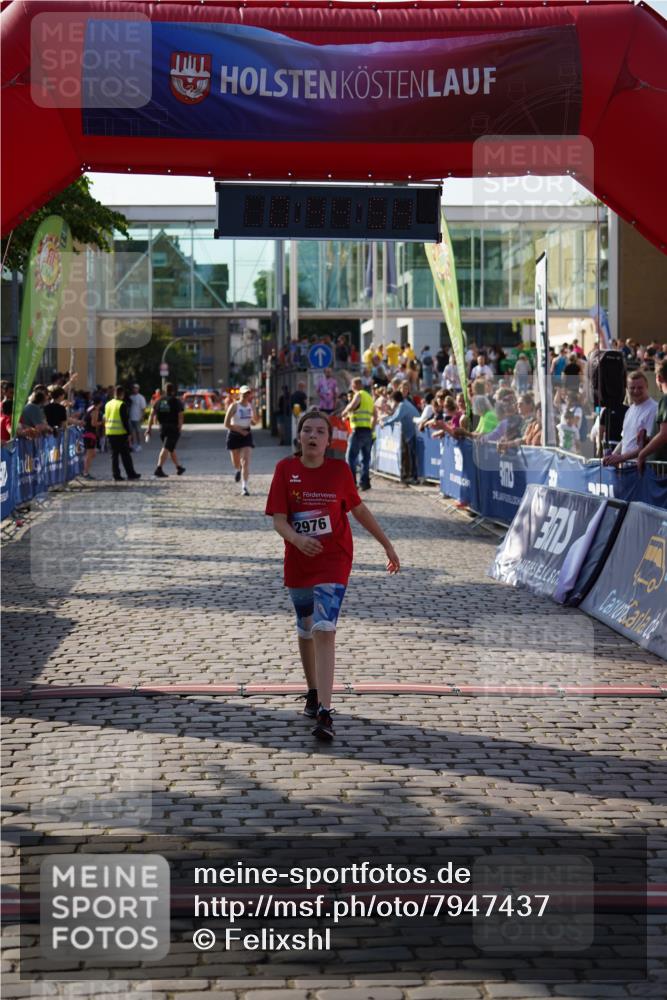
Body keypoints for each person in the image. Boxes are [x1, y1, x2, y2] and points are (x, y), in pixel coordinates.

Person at [265, 410, 400, 741]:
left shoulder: (340, 471)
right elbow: (279, 520)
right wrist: (298, 540)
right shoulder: (285, 469)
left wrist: (387, 545)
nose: (313, 435)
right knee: (305, 626)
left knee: (325, 628)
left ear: (329, 440)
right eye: (307, 430)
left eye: (319, 431)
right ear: (299, 437)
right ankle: (313, 690)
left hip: (334, 559)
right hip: (299, 560)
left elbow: (359, 509)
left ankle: (325, 711)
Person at [602, 370, 658, 467]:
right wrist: (612, 457)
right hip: (626, 468)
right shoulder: (629, 410)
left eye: (640, 388)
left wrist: (622, 457)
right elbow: (624, 440)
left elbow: (649, 445)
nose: (636, 391)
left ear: (647, 387)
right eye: (632, 388)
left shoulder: (653, 409)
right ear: (627, 389)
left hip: (641, 469)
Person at [341, 376, 375, 491]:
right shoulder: (369, 397)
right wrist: (372, 428)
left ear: (355, 385)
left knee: (350, 458)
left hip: (358, 431)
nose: (352, 387)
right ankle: (365, 483)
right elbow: (375, 414)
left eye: (352, 385)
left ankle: (352, 483)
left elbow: (353, 405)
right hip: (368, 431)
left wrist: (344, 412)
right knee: (365, 459)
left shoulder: (359, 394)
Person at [146, 382, 185, 478]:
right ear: (173, 391)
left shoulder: (159, 401)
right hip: (173, 428)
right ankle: (158, 468)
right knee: (166, 447)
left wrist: (149, 428)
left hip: (162, 428)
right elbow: (180, 416)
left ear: (164, 390)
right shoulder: (176, 401)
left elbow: (151, 415)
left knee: (170, 448)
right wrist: (180, 427)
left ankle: (178, 467)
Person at [223, 385, 257, 495]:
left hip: (246, 435)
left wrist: (253, 420)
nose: (246, 395)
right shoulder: (234, 406)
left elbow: (255, 422)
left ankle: (244, 487)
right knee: (236, 462)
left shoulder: (251, 406)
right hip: (234, 435)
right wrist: (240, 430)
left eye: (248, 393)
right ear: (240, 394)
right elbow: (226, 424)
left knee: (245, 461)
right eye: (244, 393)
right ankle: (238, 470)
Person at [381, 389, 420, 483]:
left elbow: (396, 418)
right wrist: (385, 420)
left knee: (412, 456)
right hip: (411, 432)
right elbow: (395, 416)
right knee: (411, 455)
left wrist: (384, 423)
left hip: (412, 433)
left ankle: (414, 477)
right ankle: (412, 476)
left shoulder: (402, 405)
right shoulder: (404, 404)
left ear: (394, 400)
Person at [103, 386, 141, 481]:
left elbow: (106, 418)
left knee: (114, 455)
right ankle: (131, 474)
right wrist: (129, 434)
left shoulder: (108, 404)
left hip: (110, 433)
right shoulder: (121, 404)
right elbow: (125, 421)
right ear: (122, 394)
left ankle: (116, 475)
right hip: (120, 433)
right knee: (125, 455)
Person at [637, 360, 667, 473]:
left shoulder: (665, 400)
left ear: (659, 378)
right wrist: (649, 440)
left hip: (661, 473)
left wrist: (642, 454)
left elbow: (664, 434)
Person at [81, 396, 102, 479]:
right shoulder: (95, 411)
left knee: (92, 454)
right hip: (90, 434)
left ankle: (84, 470)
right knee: (89, 455)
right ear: (100, 403)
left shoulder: (89, 408)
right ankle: (85, 473)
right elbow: (93, 423)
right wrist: (102, 422)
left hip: (87, 433)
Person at [128, 384, 147, 451]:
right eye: (133, 388)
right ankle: (132, 444)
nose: (134, 389)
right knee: (131, 432)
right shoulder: (130, 397)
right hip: (130, 418)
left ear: (138, 389)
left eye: (136, 388)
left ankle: (139, 445)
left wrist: (142, 416)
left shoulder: (141, 397)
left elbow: (143, 408)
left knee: (138, 431)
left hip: (137, 418)